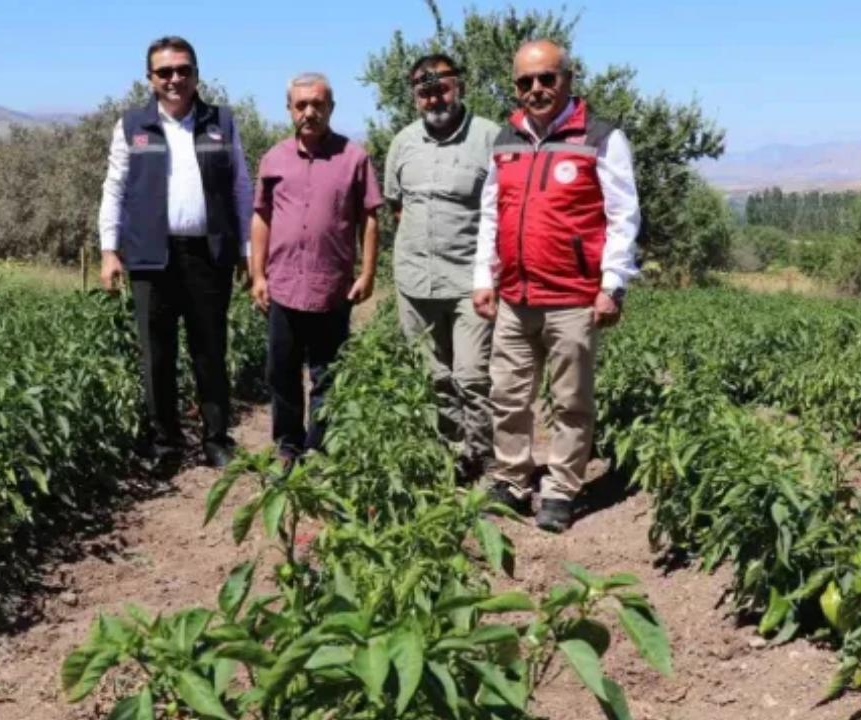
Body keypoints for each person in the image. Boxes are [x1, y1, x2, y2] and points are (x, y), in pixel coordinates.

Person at [473, 39, 641, 533]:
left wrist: (612, 284)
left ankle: (563, 487)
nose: (537, 89)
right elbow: (490, 213)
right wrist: (484, 277)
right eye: (526, 81)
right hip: (515, 297)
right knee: (508, 395)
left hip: (571, 297)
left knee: (570, 401)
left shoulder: (600, 137)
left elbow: (623, 216)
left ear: (567, 79)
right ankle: (510, 478)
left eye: (547, 78)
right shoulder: (506, 139)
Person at [98, 36, 253, 471]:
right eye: (164, 72)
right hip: (151, 258)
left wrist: (246, 250)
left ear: (196, 74)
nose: (174, 79)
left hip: (209, 255)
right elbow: (114, 189)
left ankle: (217, 440)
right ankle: (166, 445)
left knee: (210, 350)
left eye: (183, 70)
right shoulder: (132, 125)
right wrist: (110, 251)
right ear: (150, 79)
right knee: (157, 355)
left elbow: (242, 187)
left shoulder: (221, 121)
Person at [251, 72, 383, 465]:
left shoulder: (354, 157)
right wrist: (257, 275)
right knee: (282, 371)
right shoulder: (274, 158)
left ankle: (318, 445)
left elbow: (370, 217)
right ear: (290, 109)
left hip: (332, 286)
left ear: (331, 107)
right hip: (284, 284)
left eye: (318, 104)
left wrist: (369, 272)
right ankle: (288, 445)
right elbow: (261, 217)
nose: (310, 112)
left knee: (327, 373)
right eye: (301, 105)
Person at [384, 53, 501, 483]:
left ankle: (485, 458)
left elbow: (504, 210)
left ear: (461, 87)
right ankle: (453, 459)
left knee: (472, 376)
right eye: (424, 90)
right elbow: (399, 207)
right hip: (415, 280)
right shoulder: (403, 142)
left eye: (442, 87)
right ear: (415, 96)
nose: (434, 97)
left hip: (472, 280)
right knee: (435, 378)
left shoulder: (490, 138)